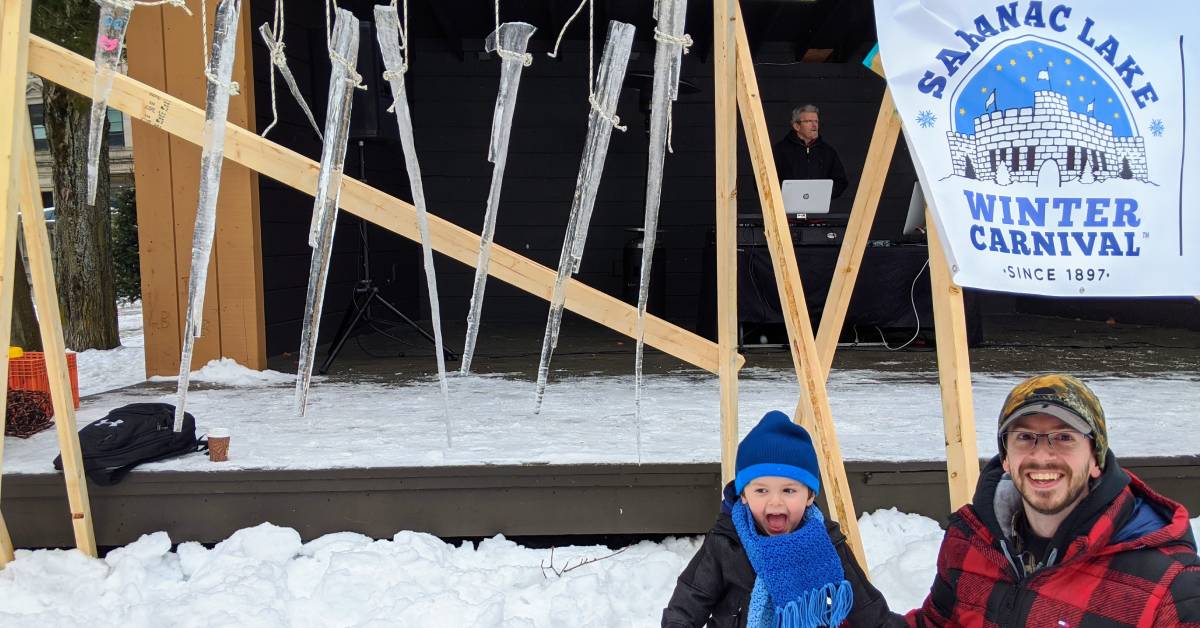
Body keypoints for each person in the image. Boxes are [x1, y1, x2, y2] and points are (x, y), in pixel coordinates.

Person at [903, 374, 1200, 626]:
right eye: (1024, 437)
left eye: (1064, 437)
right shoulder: (971, 544)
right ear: (1005, 458)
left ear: (1096, 459)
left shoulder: (1171, 583)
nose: (1042, 456)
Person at [662, 410, 889, 627]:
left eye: (788, 491)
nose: (775, 502)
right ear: (743, 495)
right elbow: (688, 603)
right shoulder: (727, 541)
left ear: (809, 495)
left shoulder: (825, 543)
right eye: (762, 491)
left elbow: (868, 611)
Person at [773, 104, 849, 200]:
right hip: (785, 211)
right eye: (809, 121)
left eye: (816, 121)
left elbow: (841, 181)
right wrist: (786, 196)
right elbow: (763, 181)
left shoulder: (828, 152)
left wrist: (822, 195)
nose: (814, 125)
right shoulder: (780, 150)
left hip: (819, 211)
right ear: (796, 126)